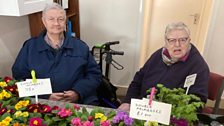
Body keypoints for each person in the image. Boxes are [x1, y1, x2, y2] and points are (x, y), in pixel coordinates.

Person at [12, 3, 102, 105]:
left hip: (79, 101)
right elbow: (20, 76)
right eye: (51, 19)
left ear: (65, 22)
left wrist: (77, 92)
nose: (56, 23)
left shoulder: (80, 46)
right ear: (44, 21)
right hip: (42, 102)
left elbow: (94, 75)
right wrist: (46, 96)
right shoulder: (30, 47)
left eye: (60, 19)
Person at [118, 22, 209, 111]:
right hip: (143, 108)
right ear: (166, 42)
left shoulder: (199, 66)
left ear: (189, 40)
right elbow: (138, 79)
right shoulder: (159, 55)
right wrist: (128, 101)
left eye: (182, 40)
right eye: (172, 40)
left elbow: (198, 101)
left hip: (171, 114)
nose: (177, 44)